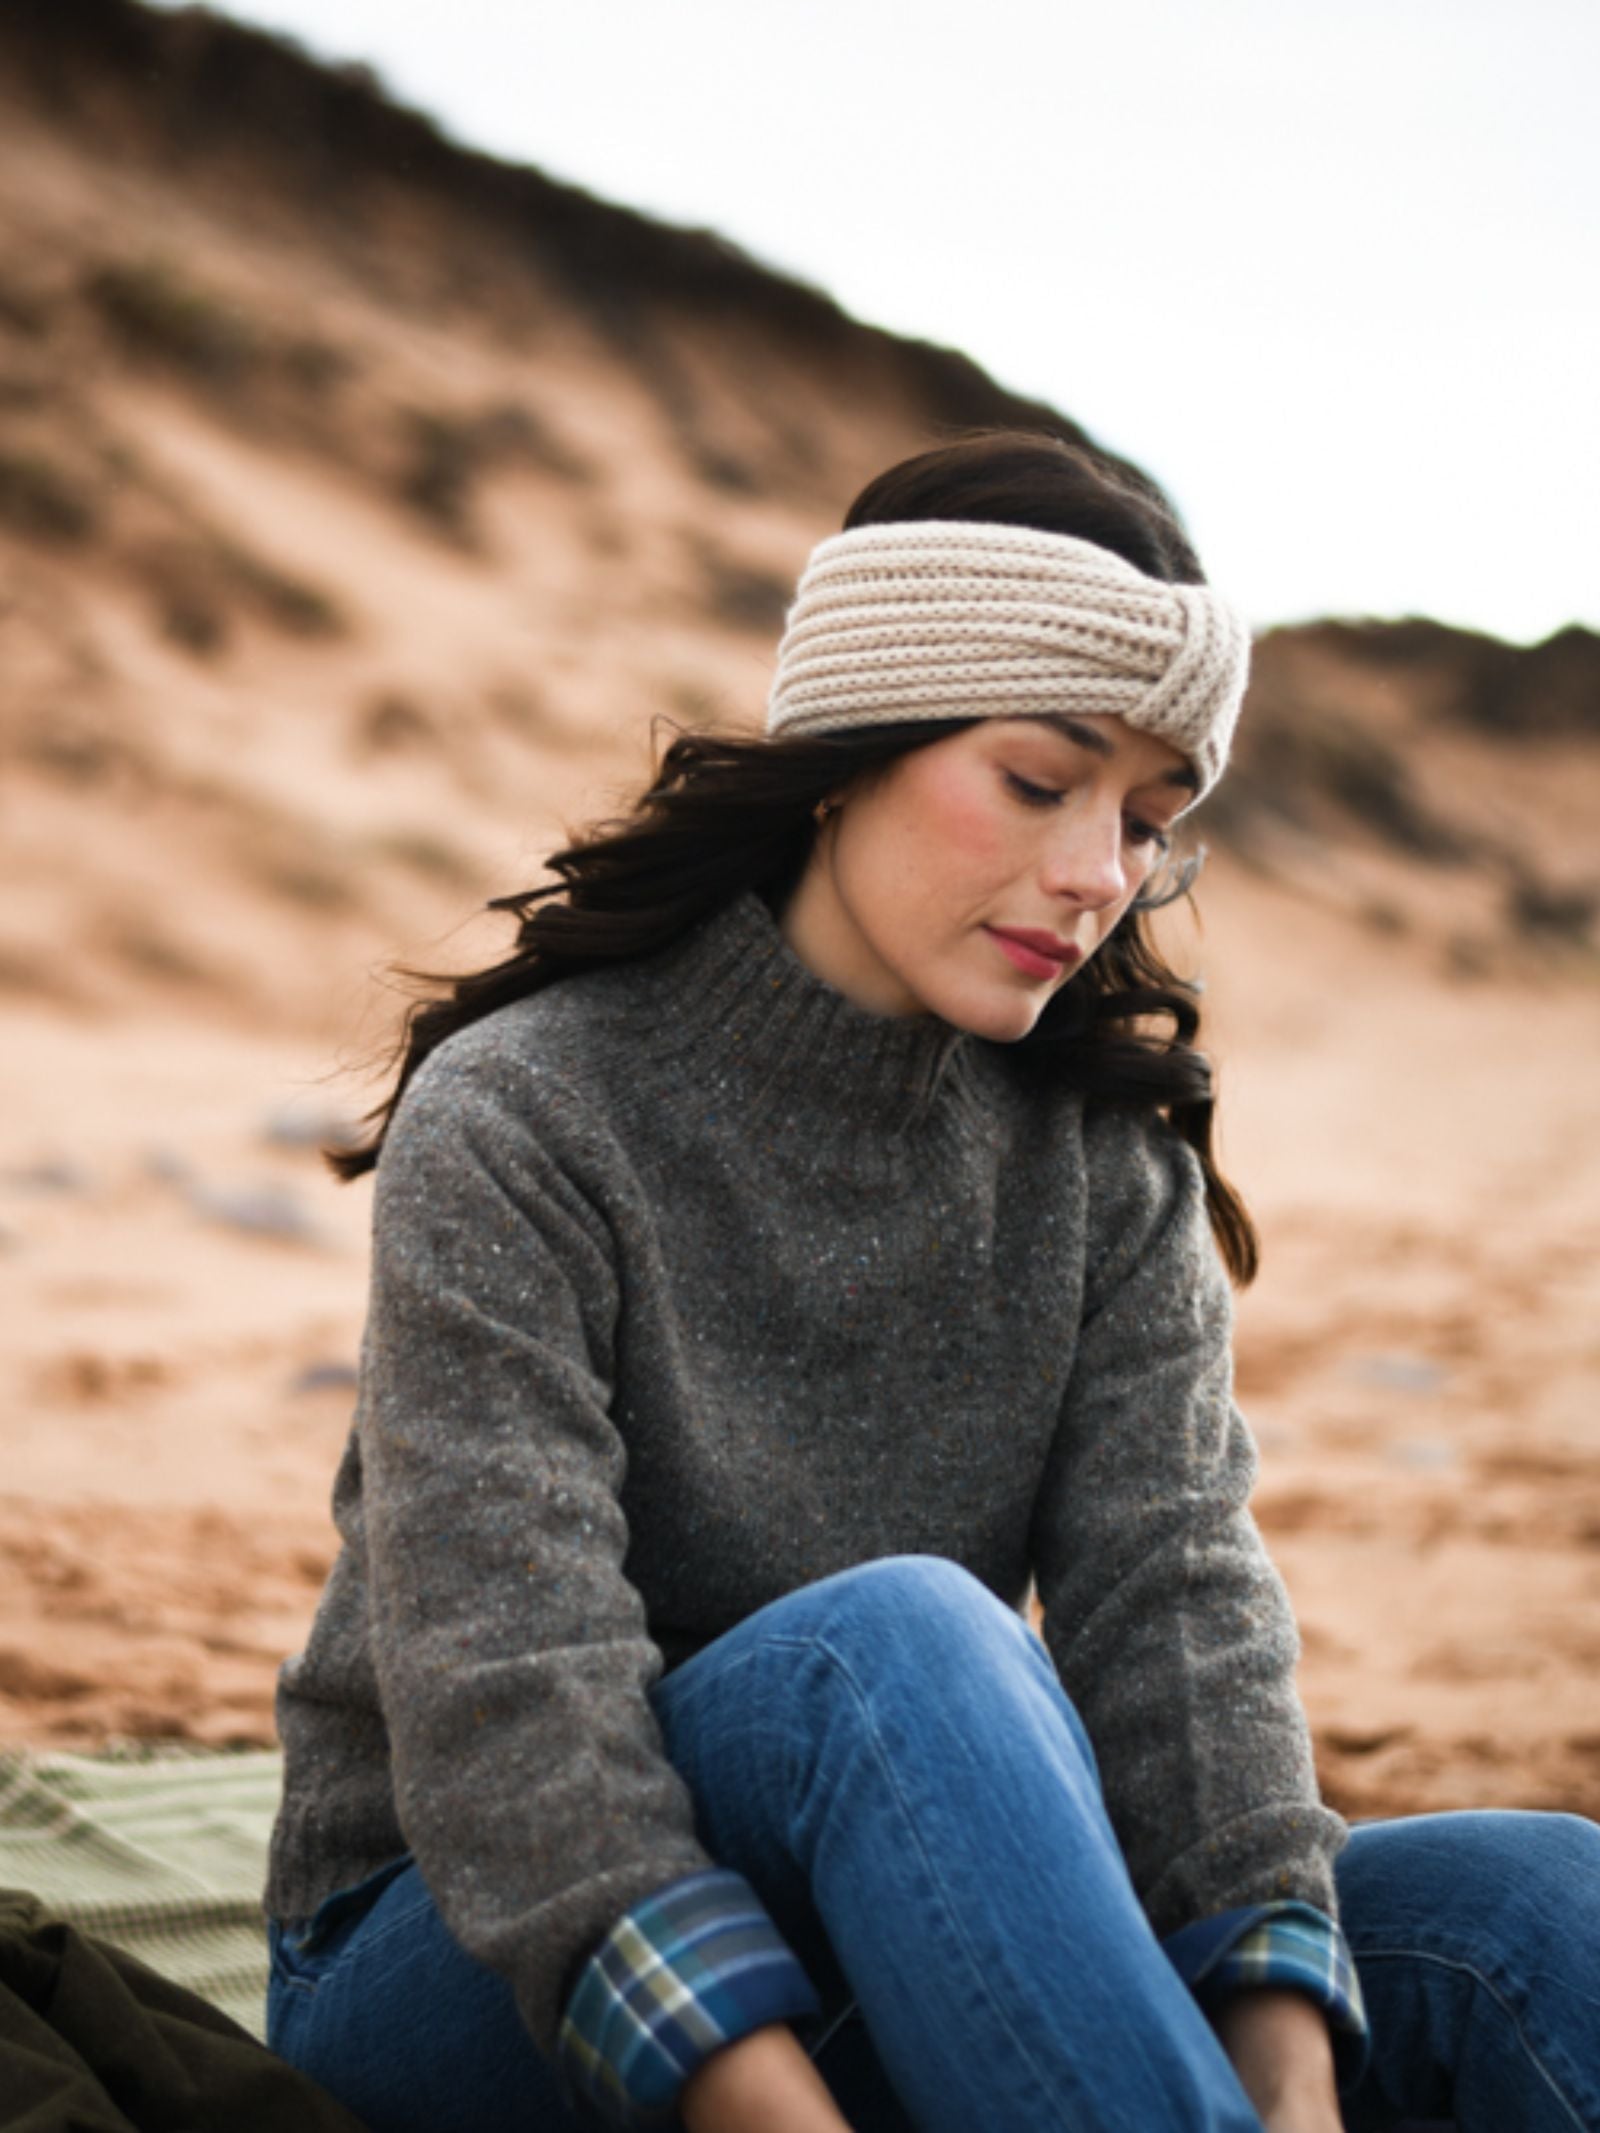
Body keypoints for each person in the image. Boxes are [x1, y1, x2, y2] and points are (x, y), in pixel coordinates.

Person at [264, 431, 1600, 2133]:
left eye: (1149, 821)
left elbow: (1174, 1611)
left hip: (910, 1895)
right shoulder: (529, 1111)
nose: (1098, 873)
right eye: (1042, 782)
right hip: (465, 1959)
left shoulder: (1102, 1167)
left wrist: (1291, 2076)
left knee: (1535, 1906)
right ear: (851, 750)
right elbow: (513, 1703)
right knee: (894, 1648)